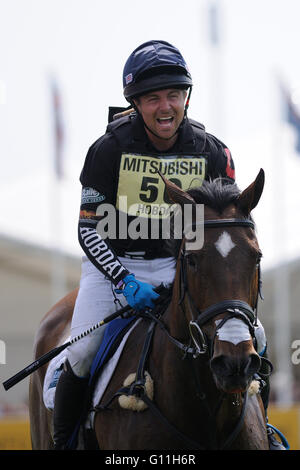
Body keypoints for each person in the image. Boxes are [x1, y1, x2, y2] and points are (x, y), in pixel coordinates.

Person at [53, 40, 286, 450]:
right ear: (135, 104)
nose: (165, 107)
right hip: (114, 267)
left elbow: (225, 229)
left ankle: (262, 430)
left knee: (257, 339)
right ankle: (65, 443)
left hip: (181, 264)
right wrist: (124, 282)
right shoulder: (107, 150)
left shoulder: (213, 151)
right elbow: (89, 230)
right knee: (83, 352)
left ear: (186, 98)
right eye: (153, 98)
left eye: (174, 95)